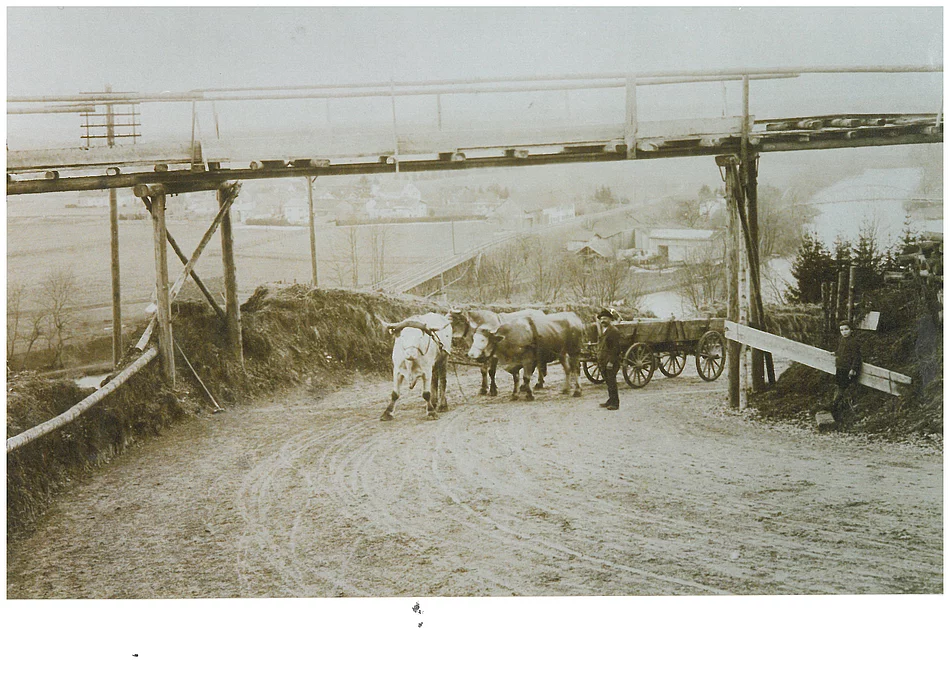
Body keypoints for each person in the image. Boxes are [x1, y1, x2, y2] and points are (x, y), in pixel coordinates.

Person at [831, 321, 862, 424]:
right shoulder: (842, 340)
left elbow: (857, 357)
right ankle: (836, 406)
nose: (844, 332)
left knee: (843, 388)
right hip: (840, 367)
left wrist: (853, 369)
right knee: (839, 385)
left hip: (847, 369)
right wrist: (835, 353)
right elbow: (841, 352)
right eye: (841, 330)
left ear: (851, 330)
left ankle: (835, 407)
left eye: (846, 329)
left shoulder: (854, 342)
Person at [596, 308, 622, 411]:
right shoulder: (603, 330)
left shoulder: (613, 331)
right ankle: (610, 400)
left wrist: (611, 362)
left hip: (610, 361)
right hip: (603, 360)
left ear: (610, 319)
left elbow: (616, 349)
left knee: (612, 382)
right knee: (608, 381)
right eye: (601, 319)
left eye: (605, 318)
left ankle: (615, 404)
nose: (603, 321)